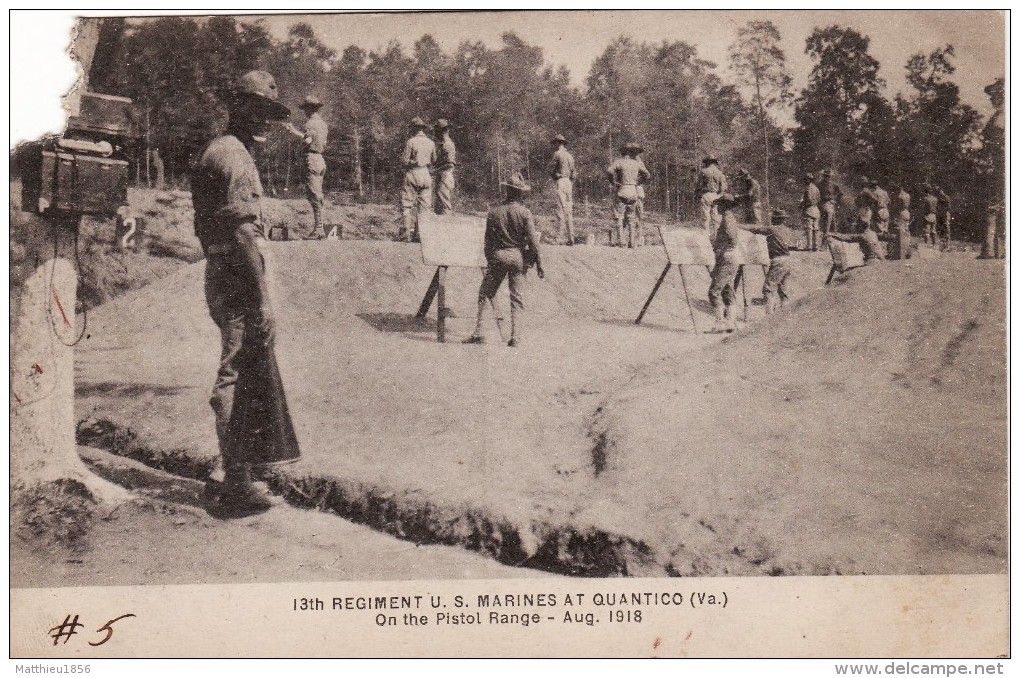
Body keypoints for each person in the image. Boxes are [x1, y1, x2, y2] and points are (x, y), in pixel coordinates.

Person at [190, 70, 300, 516]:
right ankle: (236, 480)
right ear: (239, 109)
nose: (265, 123)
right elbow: (241, 233)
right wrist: (264, 298)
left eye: (270, 115)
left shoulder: (218, 150)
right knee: (235, 371)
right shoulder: (234, 157)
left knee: (247, 364)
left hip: (222, 268)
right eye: (258, 111)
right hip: (238, 273)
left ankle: (234, 468)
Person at [464, 171, 544, 348]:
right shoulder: (525, 213)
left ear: (507, 191)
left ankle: (479, 332)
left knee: (485, 293)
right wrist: (538, 263)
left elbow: (487, 242)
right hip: (517, 257)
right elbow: (533, 242)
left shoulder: (494, 213)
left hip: (498, 256)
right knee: (517, 298)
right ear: (520, 193)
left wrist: (491, 260)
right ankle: (515, 337)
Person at [284, 95, 329, 239]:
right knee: (318, 195)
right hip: (320, 159)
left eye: (306, 109)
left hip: (312, 158)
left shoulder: (310, 124)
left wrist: (294, 132)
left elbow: (308, 140)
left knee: (314, 195)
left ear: (310, 109)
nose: (304, 112)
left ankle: (319, 228)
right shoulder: (323, 124)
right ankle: (319, 227)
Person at [741, 208, 795, 314]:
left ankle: (769, 317)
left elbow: (755, 228)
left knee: (768, 289)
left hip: (778, 260)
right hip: (788, 260)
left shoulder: (772, 229)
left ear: (775, 219)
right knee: (783, 291)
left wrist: (740, 226)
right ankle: (785, 315)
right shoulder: (787, 230)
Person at [707, 193, 742, 333]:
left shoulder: (727, 220)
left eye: (720, 205)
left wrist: (721, 247)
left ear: (725, 206)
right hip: (728, 257)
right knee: (727, 291)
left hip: (727, 257)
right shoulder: (728, 219)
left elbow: (731, 238)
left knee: (714, 292)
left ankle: (720, 323)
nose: (718, 207)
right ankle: (730, 322)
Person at [399, 117, 437, 242]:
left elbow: (404, 161)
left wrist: (412, 161)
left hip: (413, 173)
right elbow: (434, 160)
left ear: (414, 129)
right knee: (424, 207)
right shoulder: (431, 143)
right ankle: (420, 235)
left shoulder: (411, 142)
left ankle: (405, 235)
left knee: (406, 204)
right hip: (426, 174)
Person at [606, 142, 650, 248]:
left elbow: (609, 171)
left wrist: (613, 182)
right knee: (631, 218)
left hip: (622, 189)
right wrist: (639, 182)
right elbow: (647, 175)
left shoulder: (619, 162)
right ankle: (632, 242)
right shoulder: (637, 163)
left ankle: (621, 241)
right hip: (633, 191)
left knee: (619, 217)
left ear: (623, 152)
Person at [981, 78, 1006, 259]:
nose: (990, 98)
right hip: (998, 164)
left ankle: (992, 249)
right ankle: (993, 249)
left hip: (1002, 165)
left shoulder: (1002, 116)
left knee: (995, 206)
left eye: (994, 94)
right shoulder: (999, 115)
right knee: (997, 206)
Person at [549, 134, 576, 245]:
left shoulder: (557, 154)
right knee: (569, 212)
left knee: (560, 210)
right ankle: (571, 238)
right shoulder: (570, 156)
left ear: (558, 143)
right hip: (569, 183)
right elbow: (574, 173)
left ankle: (559, 238)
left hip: (561, 182)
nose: (554, 145)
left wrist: (556, 176)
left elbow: (550, 169)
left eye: (555, 143)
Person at [696, 154, 728, 238]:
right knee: (715, 217)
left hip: (706, 195)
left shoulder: (703, 171)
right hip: (717, 195)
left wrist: (697, 195)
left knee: (705, 216)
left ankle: (704, 235)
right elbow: (723, 187)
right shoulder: (720, 173)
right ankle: (715, 236)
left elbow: (699, 186)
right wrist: (720, 195)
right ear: (714, 162)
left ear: (707, 162)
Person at [433, 119, 457, 215]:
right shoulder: (443, 144)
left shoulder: (448, 144)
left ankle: (447, 226)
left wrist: (434, 171)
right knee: (439, 203)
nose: (435, 133)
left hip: (445, 176)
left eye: (437, 130)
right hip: (441, 175)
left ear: (443, 131)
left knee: (444, 204)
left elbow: (450, 164)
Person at [888, 182, 912, 260]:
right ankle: (907, 252)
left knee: (900, 233)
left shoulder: (899, 196)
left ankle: (900, 254)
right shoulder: (907, 195)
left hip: (900, 213)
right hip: (906, 213)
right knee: (906, 232)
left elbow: (896, 206)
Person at [800, 173, 821, 251]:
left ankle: (809, 246)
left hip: (809, 209)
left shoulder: (807, 188)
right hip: (816, 209)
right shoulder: (816, 188)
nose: (805, 181)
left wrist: (802, 204)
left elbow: (808, 200)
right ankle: (816, 246)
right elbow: (819, 199)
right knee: (816, 228)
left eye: (806, 179)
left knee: (809, 228)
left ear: (809, 180)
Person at [818, 169, 843, 237]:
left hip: (829, 203)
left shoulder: (833, 185)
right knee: (820, 220)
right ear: (823, 176)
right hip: (821, 203)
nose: (827, 178)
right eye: (825, 176)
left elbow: (840, 193)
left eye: (828, 176)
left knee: (830, 219)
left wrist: (835, 200)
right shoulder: (819, 184)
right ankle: (822, 233)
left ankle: (829, 233)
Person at [935, 186, 953, 250]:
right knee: (941, 231)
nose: (939, 193)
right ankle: (943, 246)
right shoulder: (939, 198)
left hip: (945, 215)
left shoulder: (946, 197)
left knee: (947, 230)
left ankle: (947, 246)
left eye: (940, 191)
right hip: (941, 215)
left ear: (942, 190)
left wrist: (944, 212)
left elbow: (949, 207)